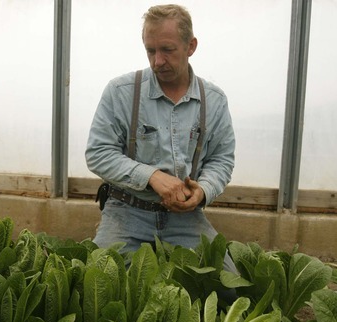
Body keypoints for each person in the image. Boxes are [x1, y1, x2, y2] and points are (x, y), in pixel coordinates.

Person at [85, 4, 236, 273]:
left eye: (167, 50)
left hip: (185, 218)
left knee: (230, 289)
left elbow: (221, 159)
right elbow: (98, 153)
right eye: (150, 50)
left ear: (191, 46)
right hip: (127, 211)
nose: (157, 61)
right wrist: (152, 176)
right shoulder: (121, 92)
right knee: (99, 282)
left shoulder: (214, 100)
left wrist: (201, 192)